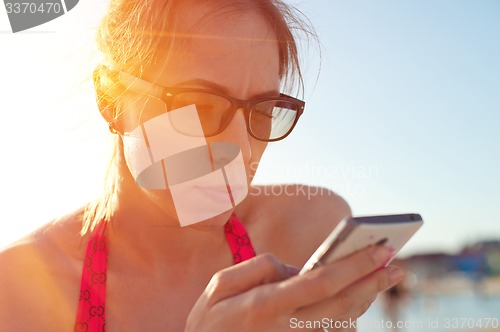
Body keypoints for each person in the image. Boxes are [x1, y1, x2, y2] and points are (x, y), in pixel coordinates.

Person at [0, 0, 405, 331]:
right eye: (198, 104)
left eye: (263, 111)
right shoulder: (22, 289)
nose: (241, 150)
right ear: (110, 99)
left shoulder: (307, 231)